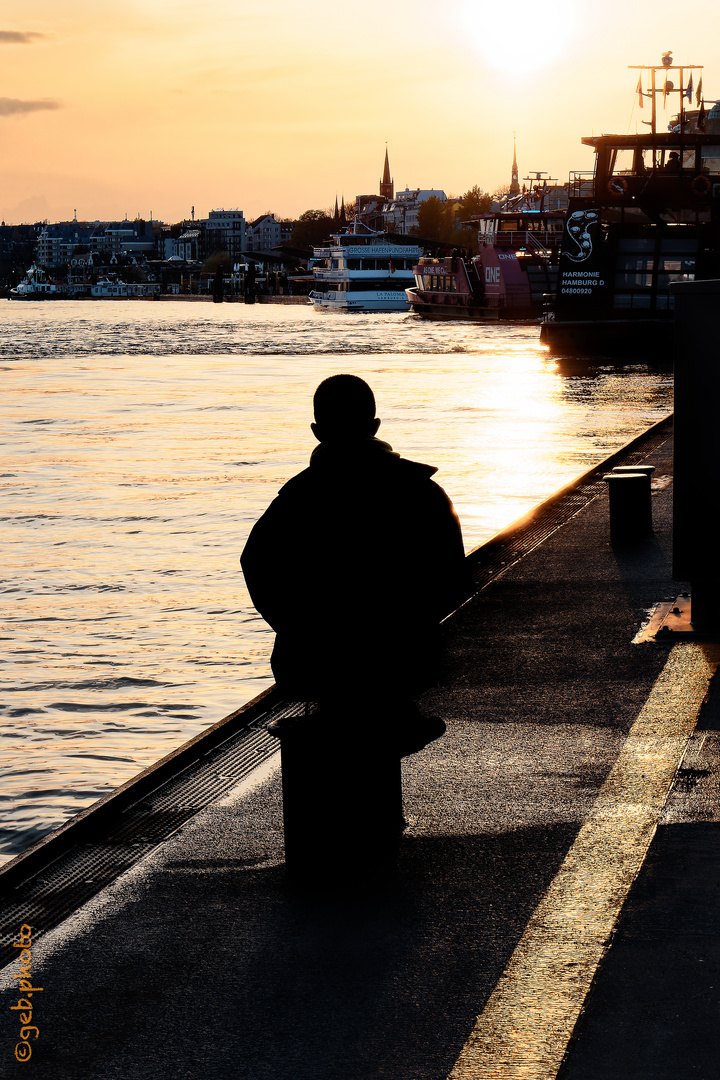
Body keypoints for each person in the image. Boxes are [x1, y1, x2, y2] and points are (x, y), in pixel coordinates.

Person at [241, 374, 466, 754]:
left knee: (331, 680)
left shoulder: (296, 499)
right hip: (407, 657)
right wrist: (415, 622)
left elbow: (256, 563)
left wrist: (297, 627)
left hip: (315, 661)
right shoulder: (422, 491)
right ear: (374, 426)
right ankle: (397, 710)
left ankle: (334, 718)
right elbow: (452, 575)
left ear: (316, 431)